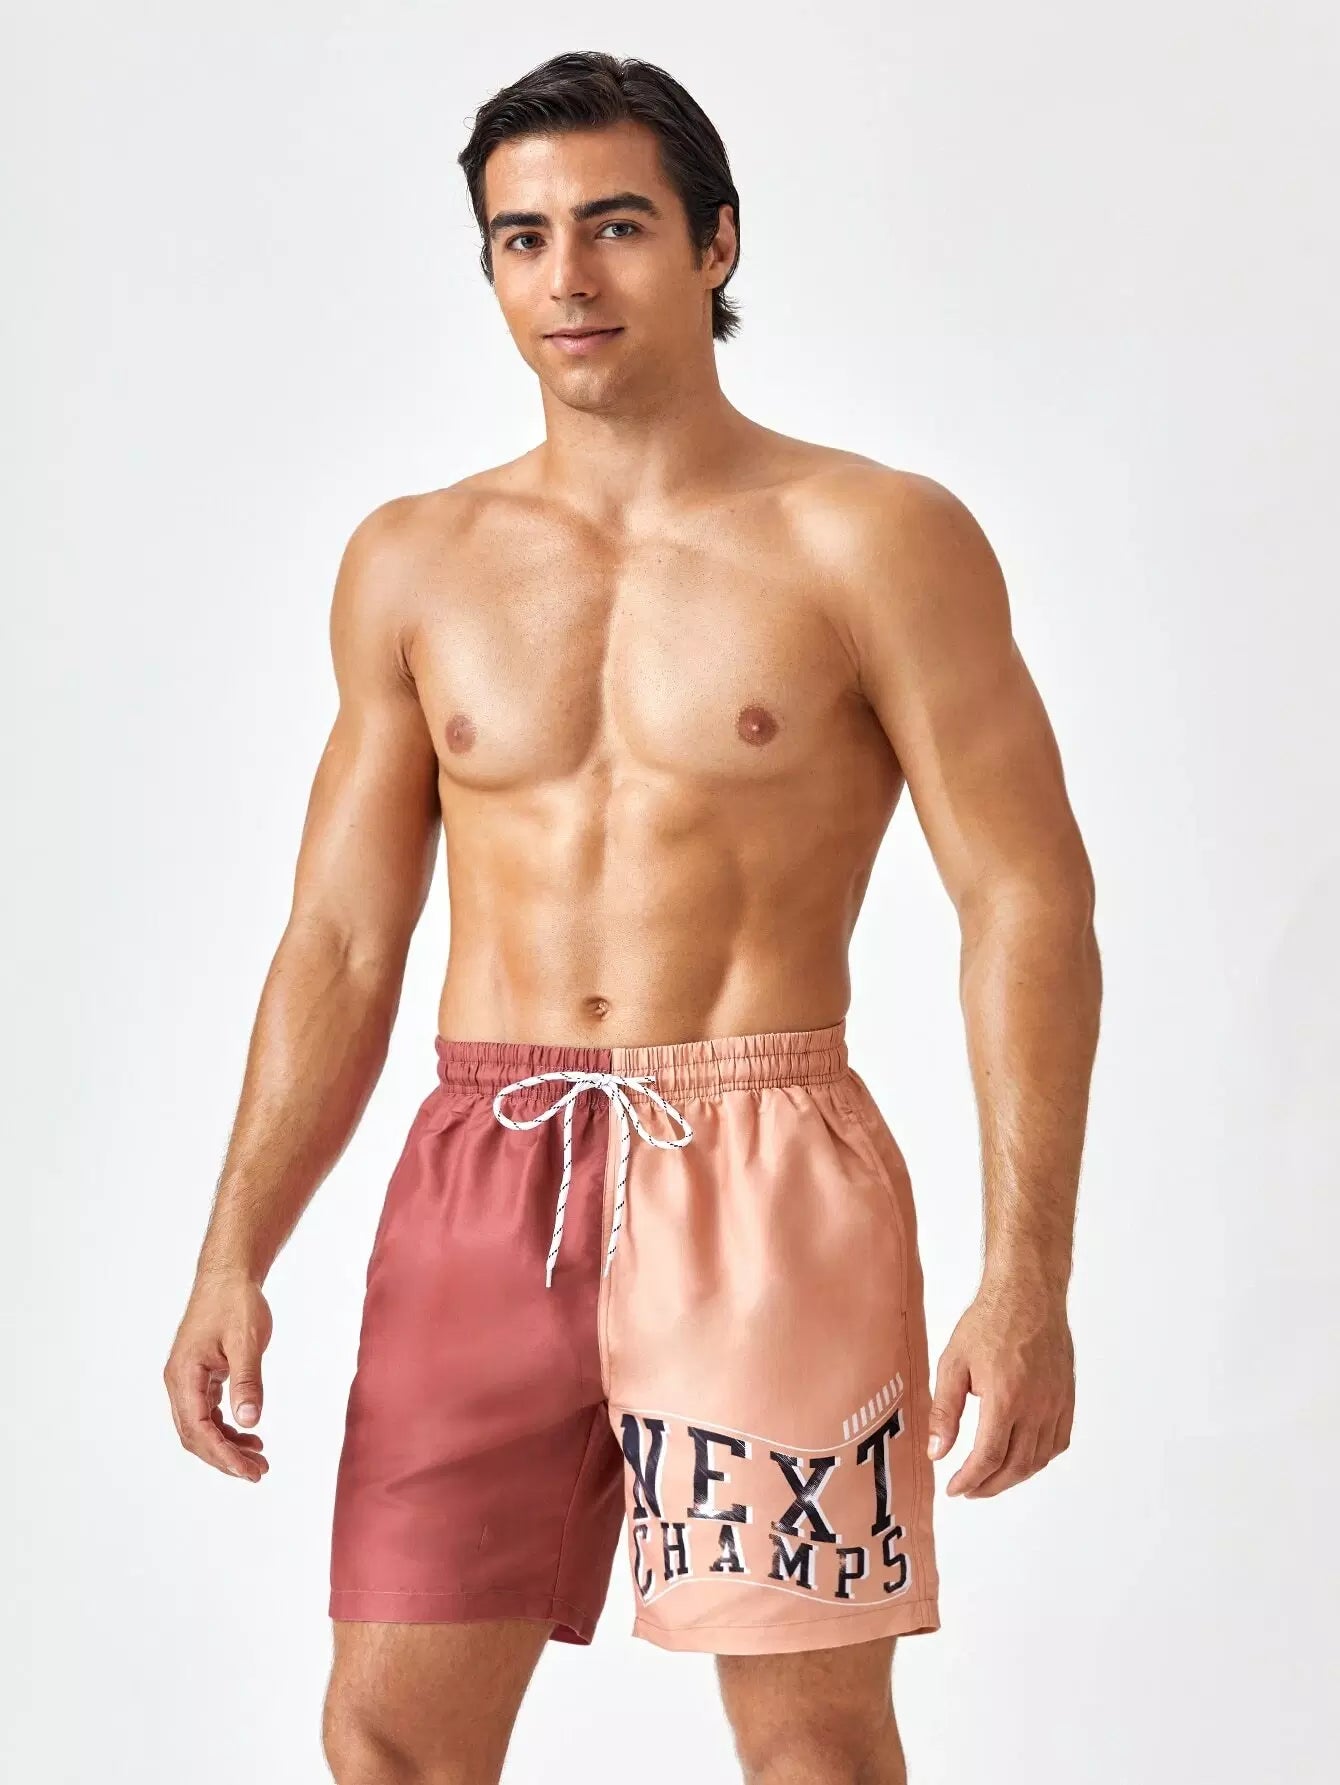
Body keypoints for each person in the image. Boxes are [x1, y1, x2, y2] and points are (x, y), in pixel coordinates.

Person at [164, 48, 1100, 1785]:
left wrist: (1025, 1271)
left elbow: (1025, 894)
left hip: (764, 1168)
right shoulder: (412, 560)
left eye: (615, 226)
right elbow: (343, 941)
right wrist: (236, 1249)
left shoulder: (872, 537)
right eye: (522, 240)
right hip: (479, 1173)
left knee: (811, 1745)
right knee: (387, 1734)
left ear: (715, 241)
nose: (568, 278)